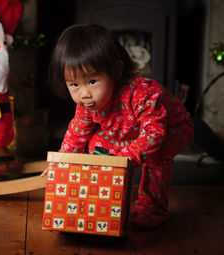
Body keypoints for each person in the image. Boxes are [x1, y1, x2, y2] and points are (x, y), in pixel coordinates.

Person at [42, 24, 194, 229]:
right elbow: (77, 133)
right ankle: (102, 196)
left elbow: (153, 134)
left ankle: (153, 209)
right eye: (74, 85)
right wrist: (62, 162)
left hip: (171, 128)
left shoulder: (142, 94)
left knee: (156, 157)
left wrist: (127, 157)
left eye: (92, 81)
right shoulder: (88, 103)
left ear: (116, 71)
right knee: (97, 143)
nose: (84, 93)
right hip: (128, 132)